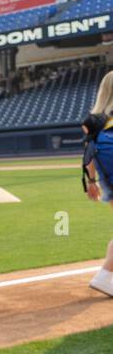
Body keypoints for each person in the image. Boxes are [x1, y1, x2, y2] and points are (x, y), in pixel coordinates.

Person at [81, 70, 113, 298]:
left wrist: (92, 182)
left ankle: (106, 277)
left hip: (107, 180)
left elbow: (88, 153)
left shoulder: (93, 120)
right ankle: (103, 276)